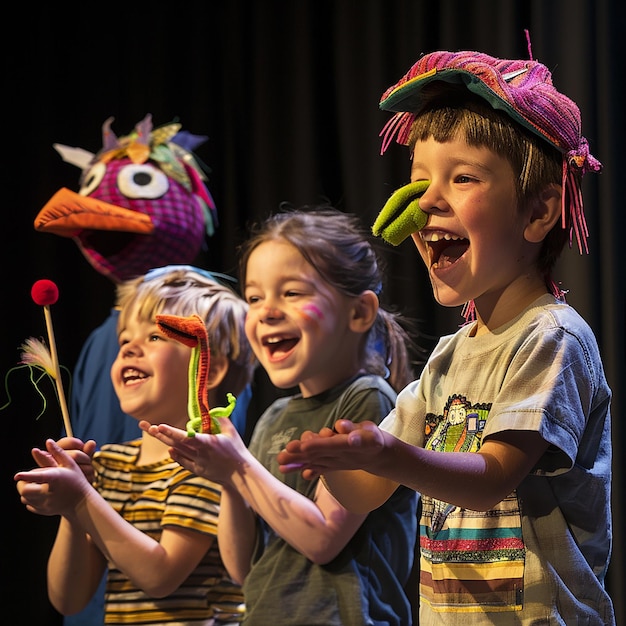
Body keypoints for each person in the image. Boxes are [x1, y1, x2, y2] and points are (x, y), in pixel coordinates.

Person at [277, 49, 615, 625]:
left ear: (538, 213)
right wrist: (343, 461)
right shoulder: (450, 355)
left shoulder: (551, 336)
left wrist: (387, 453)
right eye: (418, 182)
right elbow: (365, 491)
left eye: (462, 178)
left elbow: (494, 478)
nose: (426, 202)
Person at [142, 208, 419, 625]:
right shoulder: (273, 416)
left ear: (359, 313)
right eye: (254, 297)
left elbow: (324, 538)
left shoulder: (368, 401)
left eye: (291, 293)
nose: (267, 310)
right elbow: (242, 569)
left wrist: (239, 464)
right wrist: (229, 481)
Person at [15, 265, 257, 625]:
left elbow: (160, 576)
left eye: (156, 336)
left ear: (210, 368)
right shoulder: (110, 463)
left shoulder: (211, 462)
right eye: (125, 337)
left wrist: (82, 499)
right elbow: (69, 598)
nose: (129, 347)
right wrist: (71, 510)